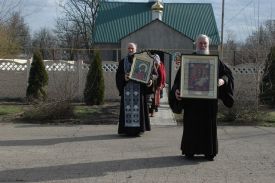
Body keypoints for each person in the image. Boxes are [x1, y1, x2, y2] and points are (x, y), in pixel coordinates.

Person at [169, 34, 234, 161]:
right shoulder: (189, 60)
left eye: (205, 43)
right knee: (191, 127)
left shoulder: (215, 61)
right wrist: (176, 91)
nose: (203, 45)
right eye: (201, 43)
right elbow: (178, 80)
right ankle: (190, 151)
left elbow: (228, 75)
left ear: (208, 45)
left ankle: (209, 152)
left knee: (208, 127)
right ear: (196, 44)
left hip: (209, 104)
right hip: (192, 103)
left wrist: (222, 80)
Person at [116, 43, 153, 136]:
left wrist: (150, 81)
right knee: (127, 109)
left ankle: (139, 130)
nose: (130, 50)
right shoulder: (122, 62)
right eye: (129, 48)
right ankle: (126, 130)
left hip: (139, 90)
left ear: (136, 49)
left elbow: (152, 74)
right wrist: (124, 78)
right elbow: (118, 76)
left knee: (139, 109)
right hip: (127, 90)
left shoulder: (142, 60)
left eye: (132, 48)